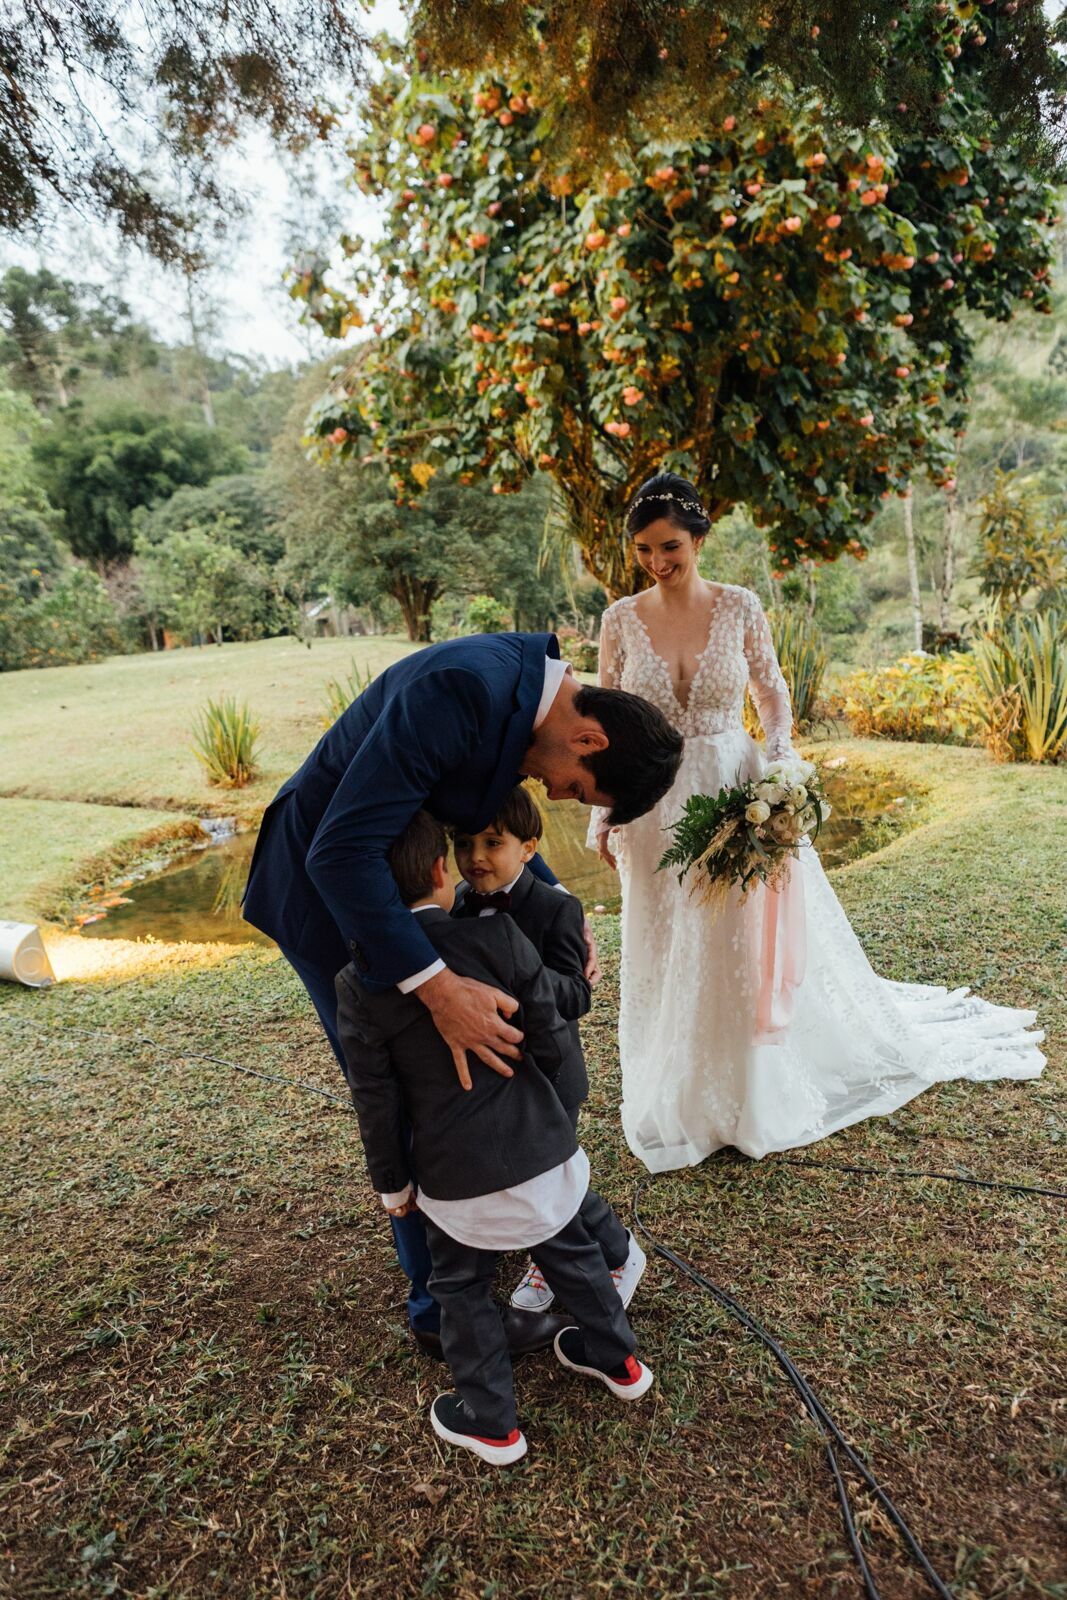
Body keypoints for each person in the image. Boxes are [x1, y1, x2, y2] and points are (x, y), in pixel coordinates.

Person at [589, 471, 1046, 1173]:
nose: (657, 561)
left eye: (670, 545)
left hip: (731, 787)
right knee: (661, 937)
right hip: (650, 800)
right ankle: (674, 1085)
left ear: (699, 537)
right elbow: (606, 726)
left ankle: (742, 1089)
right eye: (645, 549)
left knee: (731, 937)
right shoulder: (619, 618)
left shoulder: (738, 607)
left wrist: (779, 765)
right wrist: (601, 813)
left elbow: (771, 694)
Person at [242, 630, 683, 1347]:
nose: (551, 791)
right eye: (573, 787)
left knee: (470, 1079)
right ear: (591, 738)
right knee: (410, 1083)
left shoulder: (525, 703)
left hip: (409, 886)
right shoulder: (463, 691)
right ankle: (443, 1311)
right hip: (329, 899)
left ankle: (483, 1235)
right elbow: (340, 854)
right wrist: (437, 989)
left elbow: (487, 817)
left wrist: (554, 903)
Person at [337, 811, 654, 1467]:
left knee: (459, 1287)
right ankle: (618, 1360)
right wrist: (552, 1120)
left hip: (456, 1176)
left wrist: (393, 1186)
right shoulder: (501, 936)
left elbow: (376, 1098)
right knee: (569, 1247)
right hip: (542, 1147)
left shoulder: (357, 984)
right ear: (439, 870)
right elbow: (548, 1031)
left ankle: (490, 1421)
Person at [451, 785, 647, 1313]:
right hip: (496, 1070)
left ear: (529, 848)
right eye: (464, 843)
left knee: (552, 1174)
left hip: (551, 1069)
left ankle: (611, 1251)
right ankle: (548, 1246)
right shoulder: (459, 905)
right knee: (521, 1171)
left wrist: (521, 970)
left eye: (494, 843)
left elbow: (577, 994)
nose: (476, 857)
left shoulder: (557, 908)